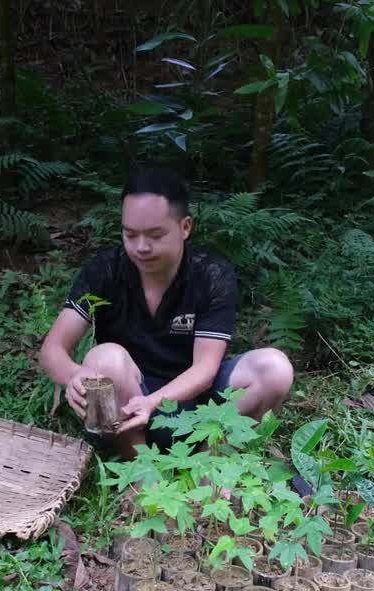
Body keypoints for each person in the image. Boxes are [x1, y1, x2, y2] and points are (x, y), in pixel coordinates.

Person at [38, 167, 295, 458]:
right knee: (103, 360)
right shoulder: (106, 269)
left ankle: (210, 463)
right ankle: (140, 470)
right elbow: (52, 350)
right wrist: (76, 376)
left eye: (155, 235)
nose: (141, 247)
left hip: (198, 408)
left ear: (185, 227)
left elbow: (205, 369)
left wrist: (154, 402)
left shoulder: (210, 274)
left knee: (274, 368)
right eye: (130, 234)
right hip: (123, 408)